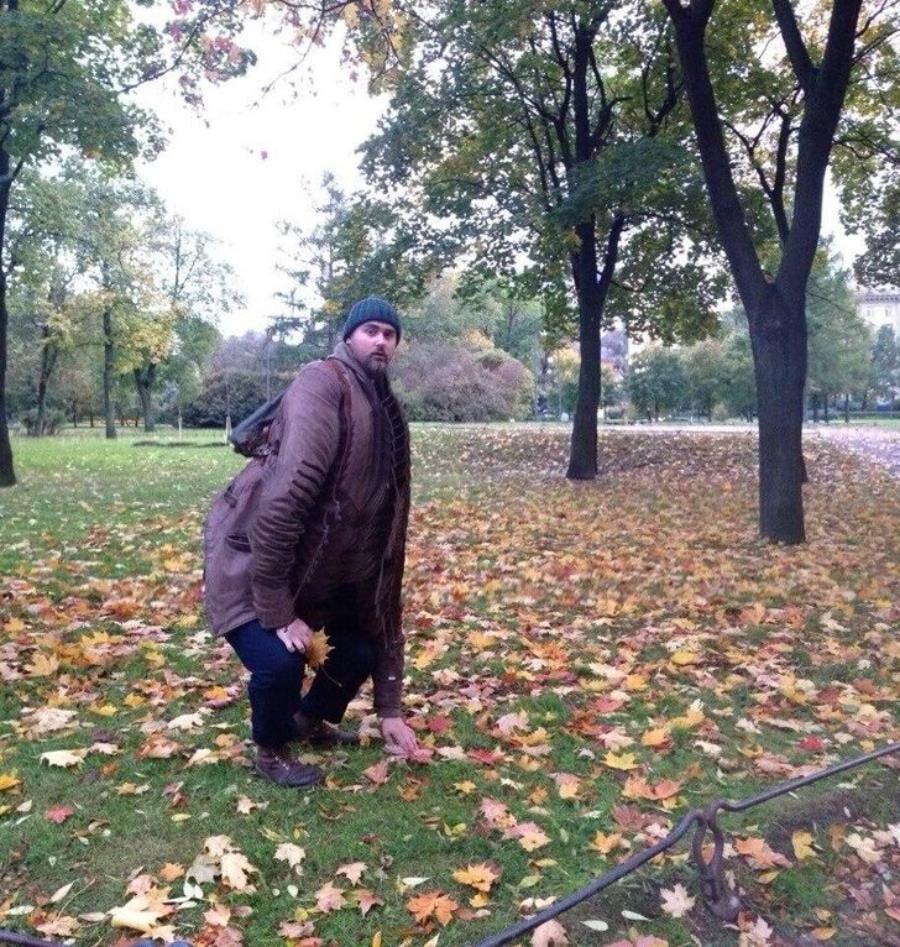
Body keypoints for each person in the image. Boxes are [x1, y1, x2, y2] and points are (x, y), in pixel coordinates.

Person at [203, 296, 420, 787]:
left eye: (390, 333)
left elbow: (387, 577)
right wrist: (278, 611)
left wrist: (389, 708)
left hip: (317, 573)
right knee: (279, 663)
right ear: (348, 337)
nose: (381, 340)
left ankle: (308, 722)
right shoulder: (323, 383)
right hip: (252, 563)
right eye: (370, 331)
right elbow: (285, 501)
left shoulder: (381, 402)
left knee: (359, 648)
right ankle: (271, 747)